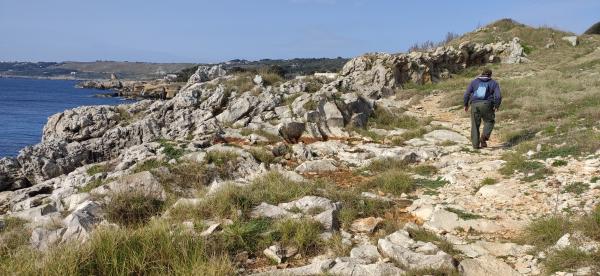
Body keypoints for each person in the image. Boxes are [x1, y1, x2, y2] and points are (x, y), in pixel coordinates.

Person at [463, 68, 502, 149]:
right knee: (489, 121)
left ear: (482, 74)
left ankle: (475, 145)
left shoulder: (474, 82)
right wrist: (496, 105)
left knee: (475, 125)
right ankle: (483, 138)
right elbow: (498, 96)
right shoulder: (493, 83)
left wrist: (466, 105)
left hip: (474, 105)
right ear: (490, 75)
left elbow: (466, 94)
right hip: (487, 104)